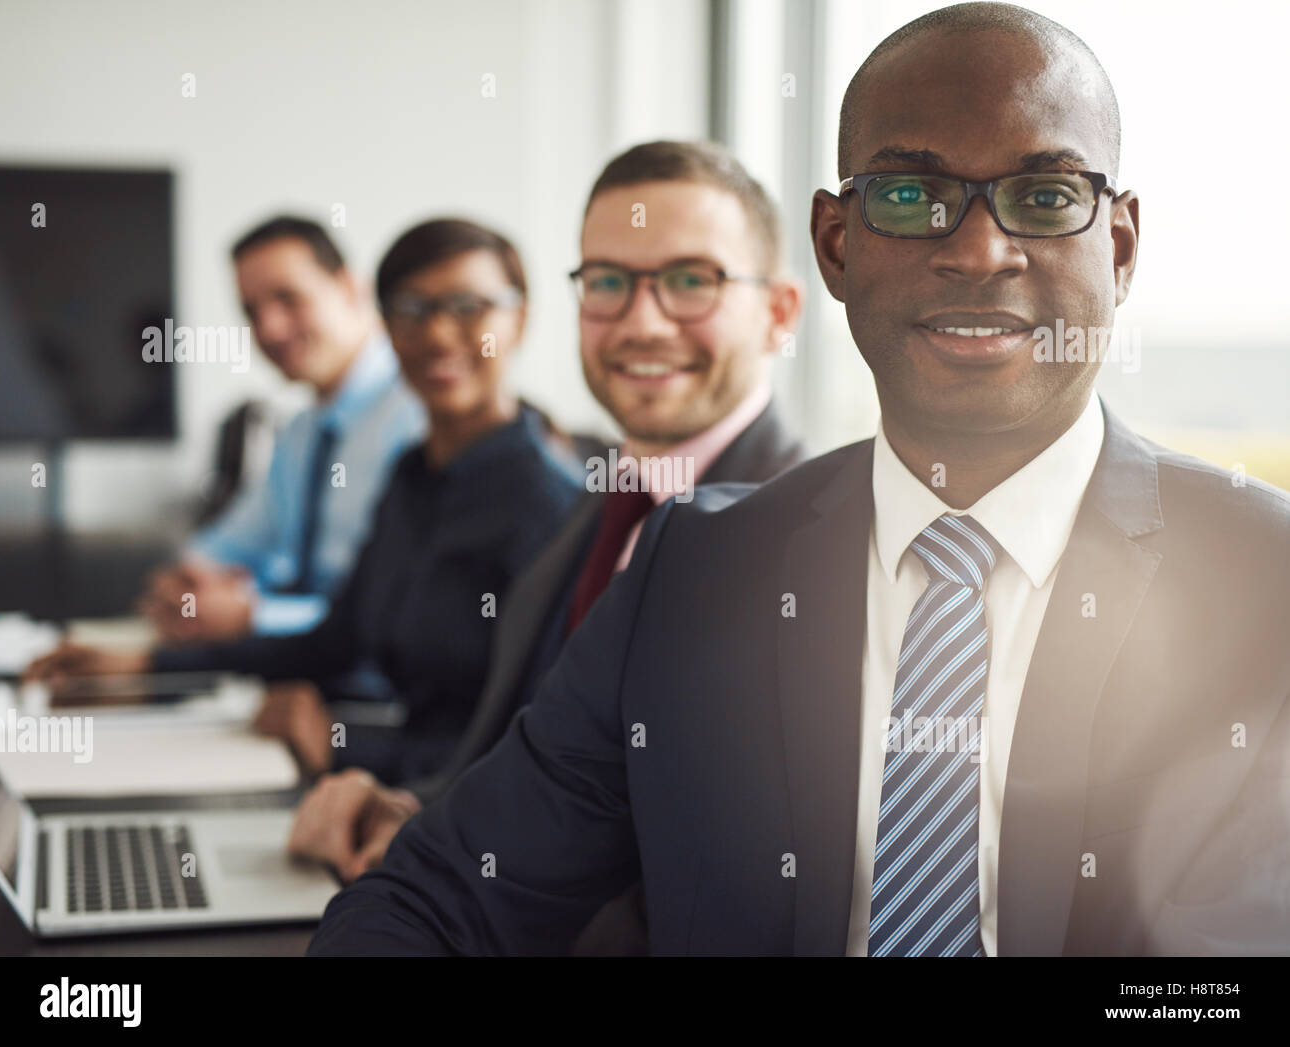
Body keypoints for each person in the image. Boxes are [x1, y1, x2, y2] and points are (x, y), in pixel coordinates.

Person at [307, 4, 1290, 957]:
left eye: (1044, 197)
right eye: (910, 198)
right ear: (834, 247)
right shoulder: (693, 571)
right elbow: (445, 896)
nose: (980, 251)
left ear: (1116, 248)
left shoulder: (1262, 583)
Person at [285, 143, 808, 945]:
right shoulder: (593, 511)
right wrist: (417, 808)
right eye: (607, 281)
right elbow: (548, 774)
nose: (641, 321)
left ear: (777, 313)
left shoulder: (805, 550)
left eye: (691, 279)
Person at [26, 219, 582, 783]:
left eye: (469, 306)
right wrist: (150, 665)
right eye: (412, 309)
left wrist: (342, 748)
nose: (438, 334)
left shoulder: (552, 508)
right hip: (378, 770)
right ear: (386, 323)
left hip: (432, 803)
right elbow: (335, 640)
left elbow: (535, 753)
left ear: (521, 317)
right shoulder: (412, 477)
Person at [141, 215, 425, 643]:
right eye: (252, 311)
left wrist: (255, 616)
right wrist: (182, 584)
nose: (269, 328)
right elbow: (224, 546)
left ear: (350, 288)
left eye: (288, 298)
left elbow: (398, 608)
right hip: (301, 673)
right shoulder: (301, 434)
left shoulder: (422, 417)